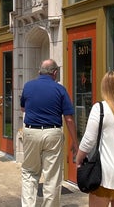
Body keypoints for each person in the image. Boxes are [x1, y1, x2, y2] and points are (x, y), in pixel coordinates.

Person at [75, 71, 114, 207]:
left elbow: (88, 140)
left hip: (106, 174)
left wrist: (79, 159)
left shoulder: (99, 108)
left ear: (104, 88)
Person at [20, 59, 79, 207]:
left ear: (40, 71)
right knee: (52, 177)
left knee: (29, 172)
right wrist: (75, 142)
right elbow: (69, 119)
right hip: (52, 133)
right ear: (55, 72)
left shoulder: (28, 86)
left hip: (31, 131)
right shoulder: (60, 89)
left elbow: (23, 109)